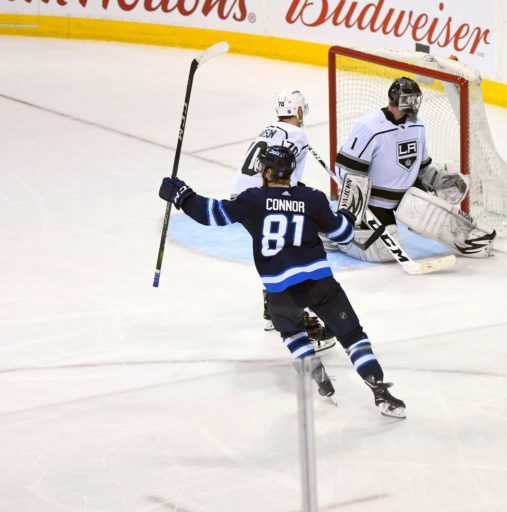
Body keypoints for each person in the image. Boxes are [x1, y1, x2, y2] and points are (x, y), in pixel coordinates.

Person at [158, 145, 406, 418]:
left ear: (267, 172)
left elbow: (211, 213)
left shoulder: (252, 199)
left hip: (279, 292)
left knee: (293, 333)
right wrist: (348, 213)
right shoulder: (313, 198)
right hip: (320, 284)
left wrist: (181, 195)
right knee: (352, 336)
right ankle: (380, 391)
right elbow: (343, 235)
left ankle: (318, 375)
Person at [333, 76, 496, 262]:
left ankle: (472, 241)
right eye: (411, 99)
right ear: (398, 99)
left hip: (408, 195)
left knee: (440, 217)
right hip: (375, 201)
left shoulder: (417, 125)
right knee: (385, 253)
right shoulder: (370, 126)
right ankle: (336, 236)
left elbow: (422, 165)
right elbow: (346, 168)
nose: (415, 103)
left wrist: (439, 180)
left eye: (417, 99)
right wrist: (357, 204)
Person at [232, 89, 331, 349]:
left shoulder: (268, 130)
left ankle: (272, 312)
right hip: (265, 197)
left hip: (243, 196)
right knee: (294, 253)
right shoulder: (298, 134)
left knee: (274, 252)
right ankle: (302, 322)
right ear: (298, 111)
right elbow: (284, 177)